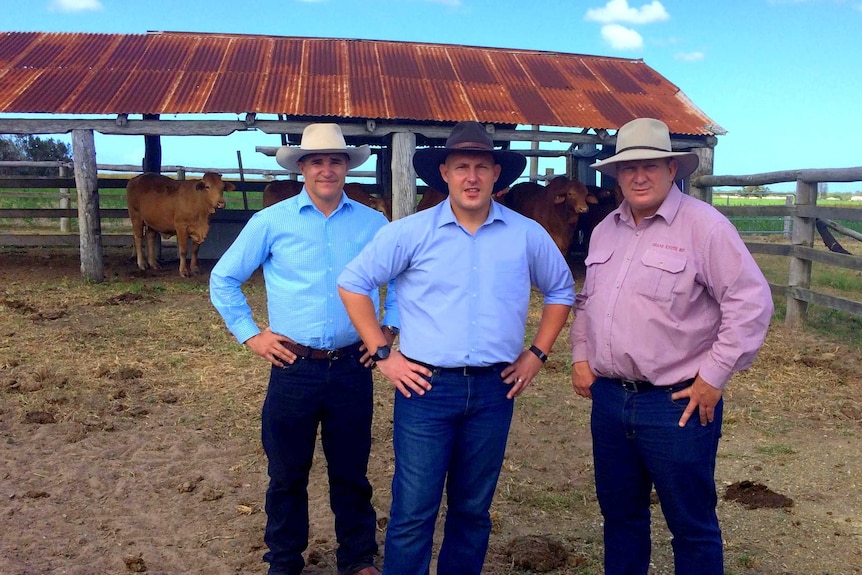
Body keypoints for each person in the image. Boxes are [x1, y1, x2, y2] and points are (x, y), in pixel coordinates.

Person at [337, 120, 575, 575]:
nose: (471, 177)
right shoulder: (411, 232)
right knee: (413, 511)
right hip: (425, 388)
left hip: (493, 390)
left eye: (481, 167)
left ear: (495, 175)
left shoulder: (525, 234)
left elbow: (561, 291)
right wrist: (384, 354)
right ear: (444, 172)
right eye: (461, 166)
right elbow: (353, 283)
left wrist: (537, 353)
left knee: (472, 510)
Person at [570, 117, 774, 575]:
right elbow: (588, 300)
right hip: (609, 398)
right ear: (617, 175)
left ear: (671, 170)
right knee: (620, 517)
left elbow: (751, 303)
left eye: (651, 166)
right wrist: (580, 355)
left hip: (676, 403)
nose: (639, 176)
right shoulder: (605, 230)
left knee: (691, 523)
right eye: (629, 168)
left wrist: (713, 376)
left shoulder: (706, 228)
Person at [210, 123, 398, 575]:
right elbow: (224, 278)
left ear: (347, 168)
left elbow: (408, 280)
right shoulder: (271, 222)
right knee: (287, 472)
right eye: (317, 161)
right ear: (301, 168)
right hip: (293, 364)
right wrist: (252, 334)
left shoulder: (374, 224)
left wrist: (389, 328)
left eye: (335, 161)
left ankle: (357, 559)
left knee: (351, 471)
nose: (327, 169)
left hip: (354, 363)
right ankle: (285, 560)